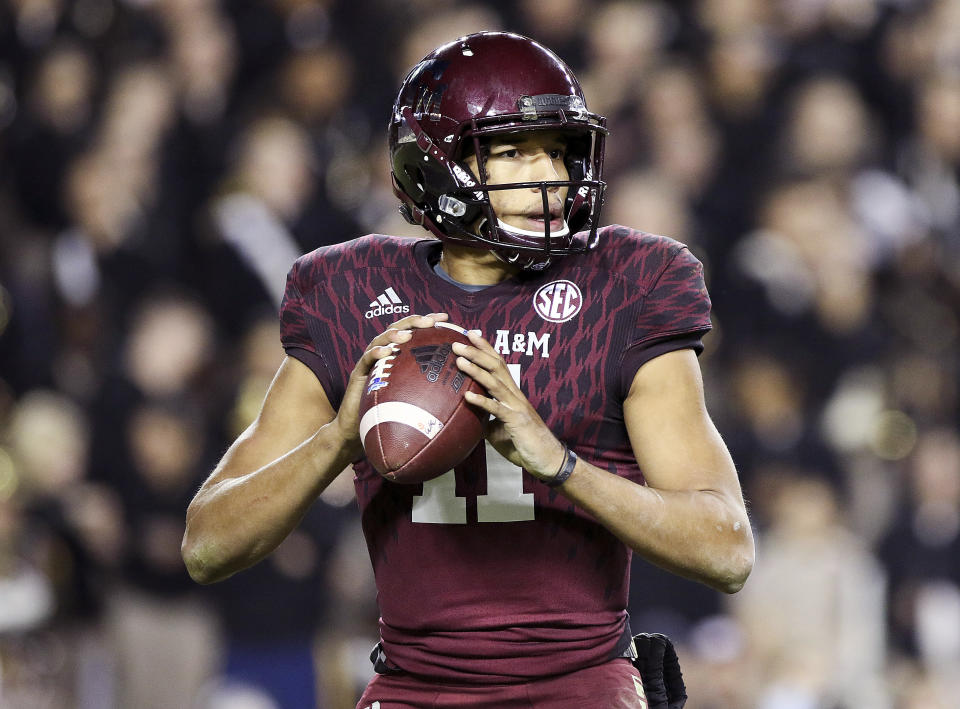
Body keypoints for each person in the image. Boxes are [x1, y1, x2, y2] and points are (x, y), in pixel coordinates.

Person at [182, 31, 754, 708]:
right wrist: (338, 437)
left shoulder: (627, 284)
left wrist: (561, 464)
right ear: (436, 167)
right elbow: (207, 545)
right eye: (514, 151)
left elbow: (727, 551)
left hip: (578, 682)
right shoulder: (352, 291)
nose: (553, 175)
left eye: (559, 150)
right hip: (413, 686)